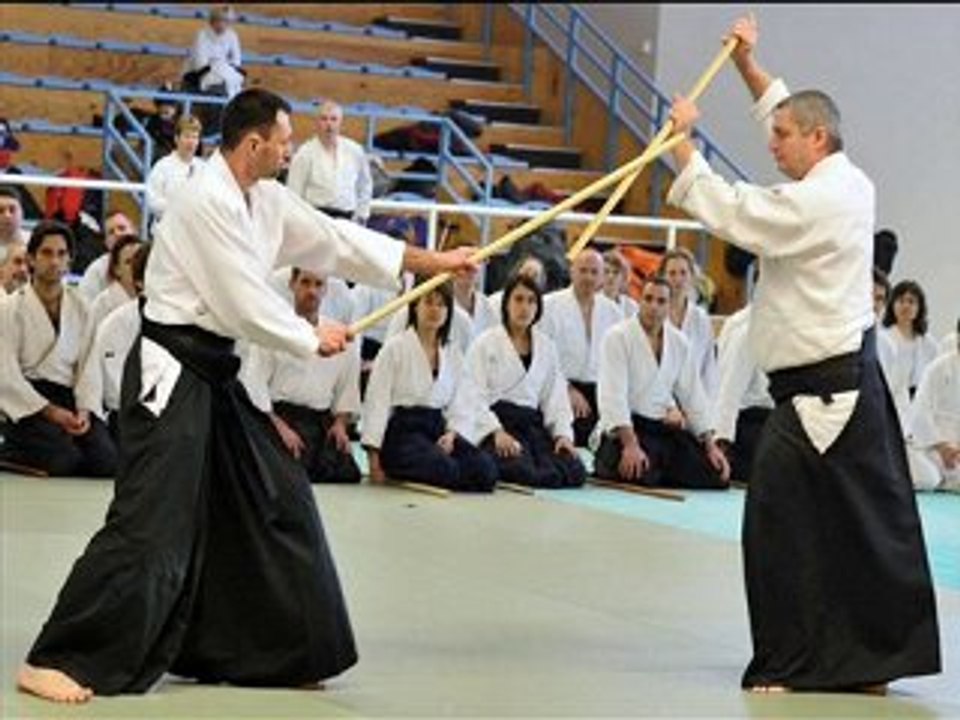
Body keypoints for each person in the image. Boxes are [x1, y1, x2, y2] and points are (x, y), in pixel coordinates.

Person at [15, 87, 478, 704]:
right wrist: (310, 336)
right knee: (152, 523)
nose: (293, 150)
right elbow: (242, 299)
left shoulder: (264, 199)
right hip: (170, 371)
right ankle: (57, 655)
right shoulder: (203, 200)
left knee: (277, 496)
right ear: (254, 144)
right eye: (285, 141)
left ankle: (262, 649)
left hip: (215, 373)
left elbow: (336, 239)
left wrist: (435, 261)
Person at [665, 15, 939, 692]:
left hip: (827, 395)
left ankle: (794, 662)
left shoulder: (820, 201)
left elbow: (741, 214)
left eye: (783, 136)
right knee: (860, 529)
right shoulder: (846, 179)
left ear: (818, 140)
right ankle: (869, 662)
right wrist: (749, 66)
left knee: (777, 526)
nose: (771, 142)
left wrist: (685, 152)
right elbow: (786, 112)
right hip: (833, 387)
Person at [0, 221, 117, 477]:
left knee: (107, 462)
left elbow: (89, 366)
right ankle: (9, 453)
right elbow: (5, 374)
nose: (54, 261)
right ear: (31, 259)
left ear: (69, 261)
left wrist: (85, 409)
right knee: (65, 462)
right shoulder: (9, 309)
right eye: (46, 253)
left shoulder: (82, 306)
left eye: (61, 254)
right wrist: (50, 411)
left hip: (70, 397)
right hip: (30, 401)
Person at [362, 279, 498, 493]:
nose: (435, 310)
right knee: (445, 469)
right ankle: (410, 466)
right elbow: (377, 401)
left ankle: (449, 471)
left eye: (442, 304)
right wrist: (373, 458)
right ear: (415, 306)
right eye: (429, 302)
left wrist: (453, 434)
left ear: (448, 312)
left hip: (438, 429)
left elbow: (461, 401)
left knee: (486, 470)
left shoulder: (452, 353)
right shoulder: (394, 348)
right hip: (403, 433)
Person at [593, 276, 729, 488]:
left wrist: (711, 446)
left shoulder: (679, 342)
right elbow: (612, 395)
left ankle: (661, 467)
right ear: (640, 301)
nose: (653, 307)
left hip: (662, 429)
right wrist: (630, 445)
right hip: (628, 429)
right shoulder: (617, 337)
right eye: (648, 299)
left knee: (714, 475)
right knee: (639, 473)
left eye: (660, 301)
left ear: (669, 305)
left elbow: (693, 395)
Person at [240, 267, 362, 484]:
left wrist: (341, 424)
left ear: (325, 290)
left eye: (318, 285)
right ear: (292, 285)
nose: (311, 291)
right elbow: (255, 386)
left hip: (319, 420)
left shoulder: (337, 334)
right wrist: (277, 426)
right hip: (281, 416)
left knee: (347, 473)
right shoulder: (275, 333)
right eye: (305, 283)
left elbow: (347, 387)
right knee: (287, 471)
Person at [466, 274, 585, 489]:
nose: (525, 307)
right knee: (521, 470)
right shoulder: (485, 343)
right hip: (499, 423)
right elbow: (473, 395)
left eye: (531, 301)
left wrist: (562, 435)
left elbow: (555, 397)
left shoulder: (546, 347)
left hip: (531, 426)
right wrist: (495, 432)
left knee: (574, 470)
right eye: (518, 299)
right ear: (506, 304)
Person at [539, 249, 623, 447]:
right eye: (583, 270)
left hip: (600, 391)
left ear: (602, 276)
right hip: (560, 387)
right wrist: (566, 389)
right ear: (572, 272)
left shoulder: (613, 313)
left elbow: (618, 363)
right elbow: (542, 357)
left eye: (594, 272)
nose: (588, 277)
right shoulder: (549, 306)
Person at [75, 244, 151, 438]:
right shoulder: (113, 319)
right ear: (140, 281)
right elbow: (92, 370)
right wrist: (86, 409)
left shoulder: (180, 319)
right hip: (124, 412)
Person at [712, 302, 773, 483]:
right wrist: (722, 442)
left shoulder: (779, 327)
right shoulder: (747, 331)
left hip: (769, 418)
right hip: (747, 422)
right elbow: (729, 389)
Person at [286, 100, 373, 223]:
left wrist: (362, 215)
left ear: (341, 123)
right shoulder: (304, 153)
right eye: (324, 119)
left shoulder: (355, 151)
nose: (329, 124)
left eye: (333, 119)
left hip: (348, 218)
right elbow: (294, 192)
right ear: (316, 123)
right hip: (315, 219)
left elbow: (365, 185)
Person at [905, 319, 960, 492]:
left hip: (956, 449)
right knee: (928, 479)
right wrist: (942, 446)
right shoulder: (939, 368)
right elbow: (920, 413)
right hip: (930, 445)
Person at [658, 248, 718, 396]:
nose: (678, 279)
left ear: (692, 276)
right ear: (662, 277)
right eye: (672, 273)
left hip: (693, 399)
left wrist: (708, 406)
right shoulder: (653, 314)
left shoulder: (701, 318)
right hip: (657, 397)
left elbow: (708, 366)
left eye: (683, 273)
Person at [880, 279, 940, 426]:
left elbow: (936, 379)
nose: (905, 306)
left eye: (911, 301)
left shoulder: (928, 343)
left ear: (919, 308)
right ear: (892, 305)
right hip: (889, 406)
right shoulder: (883, 338)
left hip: (920, 408)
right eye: (900, 300)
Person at [146, 115, 205, 224]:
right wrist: (179, 209)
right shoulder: (163, 166)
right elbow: (152, 200)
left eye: (195, 137)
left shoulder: (203, 168)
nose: (191, 142)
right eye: (187, 136)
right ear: (176, 139)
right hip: (167, 229)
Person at [183, 5, 244, 99]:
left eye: (227, 21)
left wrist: (228, 67)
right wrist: (216, 68)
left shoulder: (232, 35)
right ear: (213, 21)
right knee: (218, 79)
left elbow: (237, 58)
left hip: (223, 68)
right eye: (221, 20)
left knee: (233, 80)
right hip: (201, 70)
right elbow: (200, 59)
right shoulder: (202, 34)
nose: (223, 24)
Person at [87, 235, 144, 328]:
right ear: (117, 269)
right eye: (128, 262)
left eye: (139, 260)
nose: (136, 266)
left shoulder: (153, 298)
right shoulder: (103, 305)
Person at [76, 211, 136, 300]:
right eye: (111, 232)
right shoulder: (96, 270)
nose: (117, 234)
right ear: (106, 242)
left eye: (122, 228)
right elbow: (84, 306)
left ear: (134, 230)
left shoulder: (152, 260)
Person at [602, 247, 639, 318]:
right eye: (606, 271)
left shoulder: (631, 305)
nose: (611, 276)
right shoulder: (592, 302)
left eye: (616, 272)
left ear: (624, 277)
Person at [0, 185, 29, 249]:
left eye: (12, 210)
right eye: (0, 211)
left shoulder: (33, 241)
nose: (7, 215)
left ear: (22, 213)